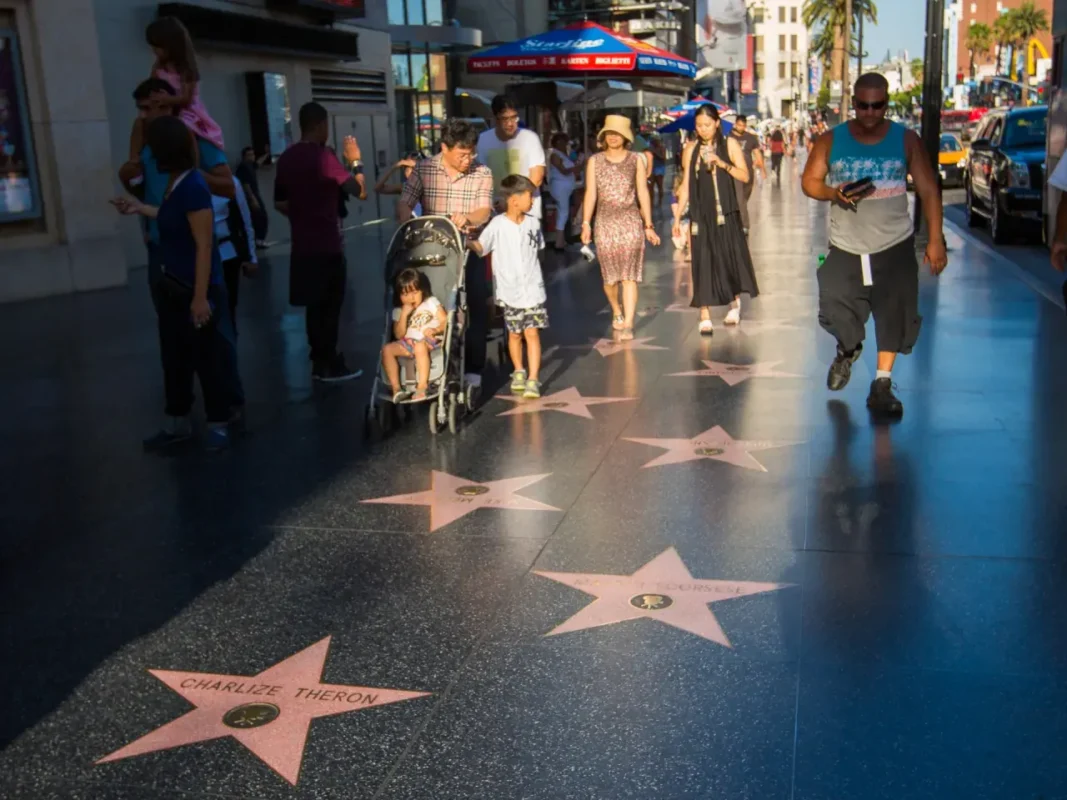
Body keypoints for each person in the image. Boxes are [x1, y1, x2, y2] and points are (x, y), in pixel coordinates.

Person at [801, 72, 948, 417]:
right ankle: (847, 350)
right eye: (863, 105)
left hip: (894, 245)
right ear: (853, 103)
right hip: (846, 246)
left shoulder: (906, 139)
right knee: (836, 305)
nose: (869, 112)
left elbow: (928, 189)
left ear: (886, 104)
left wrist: (936, 239)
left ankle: (882, 384)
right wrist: (833, 193)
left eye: (877, 105)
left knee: (893, 314)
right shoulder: (830, 140)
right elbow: (809, 181)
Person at [111, 116, 237, 452]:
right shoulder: (176, 183)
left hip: (191, 289)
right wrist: (140, 208)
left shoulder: (193, 186)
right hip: (173, 286)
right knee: (175, 359)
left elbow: (204, 245)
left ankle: (218, 423)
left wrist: (199, 297)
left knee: (205, 359)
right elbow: (172, 217)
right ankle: (177, 421)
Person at [273, 102, 367, 382]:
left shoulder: (287, 158)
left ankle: (318, 361)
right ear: (320, 125)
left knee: (314, 308)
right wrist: (356, 161)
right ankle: (329, 364)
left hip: (301, 246)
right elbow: (359, 190)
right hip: (327, 244)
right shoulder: (324, 157)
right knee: (330, 307)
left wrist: (303, 214)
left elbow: (279, 201)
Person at [397, 118, 493, 389]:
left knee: (474, 304)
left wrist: (468, 219)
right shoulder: (425, 169)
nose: (468, 159)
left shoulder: (482, 172)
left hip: (466, 252)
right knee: (431, 307)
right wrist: (406, 217)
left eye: (471, 152)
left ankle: (473, 367)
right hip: (429, 254)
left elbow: (484, 210)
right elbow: (405, 200)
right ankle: (428, 362)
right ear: (445, 148)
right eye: (463, 154)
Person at [673, 104, 758, 334]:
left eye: (707, 125)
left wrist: (722, 164)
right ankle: (704, 313)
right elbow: (687, 184)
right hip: (701, 214)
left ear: (717, 123)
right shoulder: (690, 149)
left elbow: (744, 174)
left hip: (726, 211)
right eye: (699, 125)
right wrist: (678, 216)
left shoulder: (728, 145)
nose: (703, 129)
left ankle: (733, 303)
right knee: (702, 261)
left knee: (728, 257)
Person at [581, 115, 660, 341]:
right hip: (604, 222)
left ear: (626, 137)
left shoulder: (636, 160)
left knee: (629, 276)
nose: (613, 137)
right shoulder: (594, 161)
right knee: (610, 279)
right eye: (609, 133)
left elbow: (642, 192)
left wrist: (648, 224)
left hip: (630, 221)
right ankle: (616, 308)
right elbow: (591, 193)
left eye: (617, 133)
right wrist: (586, 223)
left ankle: (628, 323)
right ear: (603, 136)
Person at [468, 175, 548, 398]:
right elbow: (482, 247)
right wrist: (466, 241)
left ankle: (533, 378)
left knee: (532, 333)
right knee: (514, 333)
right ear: (514, 200)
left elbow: (538, 249)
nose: (532, 201)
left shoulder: (533, 223)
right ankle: (519, 370)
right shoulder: (497, 225)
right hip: (510, 291)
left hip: (532, 290)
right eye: (529, 196)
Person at [125, 17, 225, 177]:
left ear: (171, 45)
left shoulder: (186, 69)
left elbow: (186, 99)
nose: (154, 51)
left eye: (157, 47)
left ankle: (193, 167)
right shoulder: (158, 66)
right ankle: (135, 162)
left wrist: (168, 100)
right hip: (163, 109)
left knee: (184, 128)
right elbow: (152, 85)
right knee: (140, 122)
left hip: (186, 111)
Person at [381, 268, 447, 403]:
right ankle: (396, 389)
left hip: (427, 341)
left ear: (422, 290)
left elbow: (445, 321)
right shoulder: (399, 311)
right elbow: (399, 335)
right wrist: (404, 314)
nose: (410, 298)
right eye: (405, 295)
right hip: (407, 342)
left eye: (414, 293)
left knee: (419, 347)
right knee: (387, 349)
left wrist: (435, 330)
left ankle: (422, 386)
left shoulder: (430, 302)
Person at [478, 95, 546, 219]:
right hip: (494, 212)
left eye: (514, 117)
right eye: (505, 119)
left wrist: (511, 202)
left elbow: (537, 177)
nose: (510, 123)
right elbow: (478, 178)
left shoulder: (530, 138)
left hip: (526, 214)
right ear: (495, 119)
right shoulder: (482, 141)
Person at [215, 175, 258, 330]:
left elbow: (245, 220)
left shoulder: (231, 182)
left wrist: (251, 257)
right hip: (200, 254)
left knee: (228, 304)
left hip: (227, 253)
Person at [729, 114, 767, 235]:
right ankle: (745, 225)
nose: (741, 127)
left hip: (749, 172)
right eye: (739, 125)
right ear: (735, 124)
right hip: (736, 171)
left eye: (743, 125)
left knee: (744, 198)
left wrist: (763, 169)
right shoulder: (729, 137)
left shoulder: (751, 138)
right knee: (740, 198)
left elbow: (757, 154)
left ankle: (737, 219)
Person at [547, 132, 581, 251]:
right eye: (564, 142)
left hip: (567, 187)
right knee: (563, 213)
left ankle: (561, 240)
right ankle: (559, 242)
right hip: (560, 187)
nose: (566, 145)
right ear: (558, 143)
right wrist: (576, 168)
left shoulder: (563, 154)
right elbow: (563, 170)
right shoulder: (555, 155)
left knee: (564, 213)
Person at [235, 146, 270, 246]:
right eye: (249, 155)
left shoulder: (250, 165)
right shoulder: (244, 167)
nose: (252, 157)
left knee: (259, 217)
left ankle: (259, 239)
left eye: (253, 154)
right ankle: (258, 239)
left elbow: (258, 163)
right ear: (244, 156)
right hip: (250, 196)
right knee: (260, 217)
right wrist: (252, 198)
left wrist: (266, 154)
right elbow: (246, 184)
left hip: (254, 194)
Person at [647, 136, 668, 207]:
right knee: (651, 187)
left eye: (655, 141)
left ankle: (660, 201)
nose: (654, 143)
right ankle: (651, 202)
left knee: (660, 186)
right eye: (653, 141)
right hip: (652, 169)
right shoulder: (650, 148)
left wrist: (655, 152)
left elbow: (663, 158)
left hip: (659, 169)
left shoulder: (662, 148)